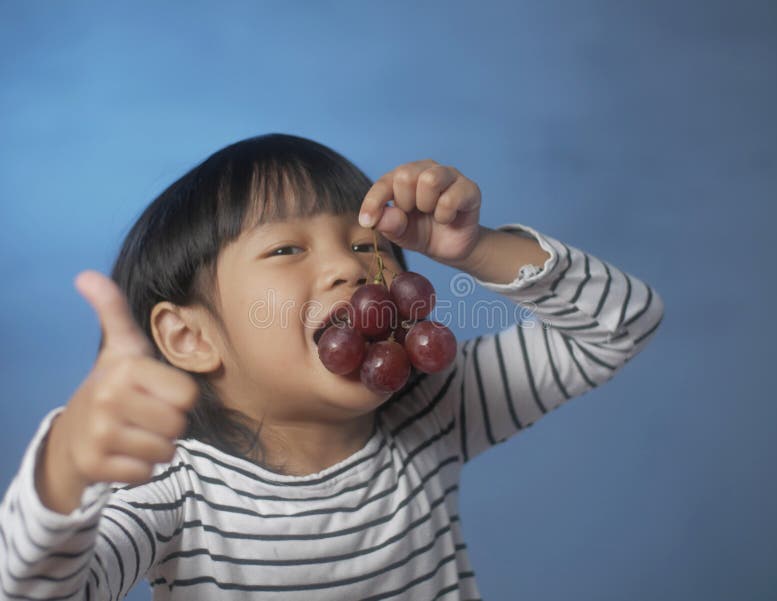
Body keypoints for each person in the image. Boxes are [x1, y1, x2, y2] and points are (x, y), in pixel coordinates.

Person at [0, 133, 664, 600]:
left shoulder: (436, 411)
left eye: (366, 244)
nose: (350, 265)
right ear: (190, 336)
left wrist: (476, 248)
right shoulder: (173, 490)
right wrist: (64, 467)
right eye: (287, 247)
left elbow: (624, 322)